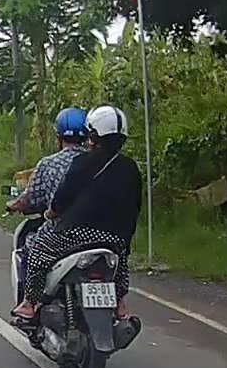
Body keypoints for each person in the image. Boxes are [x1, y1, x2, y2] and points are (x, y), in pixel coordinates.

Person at [12, 105, 142, 323]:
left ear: (93, 135)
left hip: (76, 235)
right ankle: (119, 303)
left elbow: (62, 197)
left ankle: (30, 303)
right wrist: (123, 242)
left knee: (38, 249)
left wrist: (51, 213)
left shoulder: (82, 163)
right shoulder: (130, 168)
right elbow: (134, 208)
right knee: (119, 263)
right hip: (115, 238)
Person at [7, 107, 89, 216]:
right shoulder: (97, 161)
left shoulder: (48, 164)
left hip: (59, 224)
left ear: (58, 135)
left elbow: (29, 198)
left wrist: (14, 205)